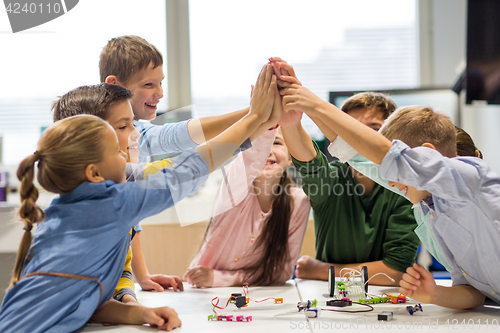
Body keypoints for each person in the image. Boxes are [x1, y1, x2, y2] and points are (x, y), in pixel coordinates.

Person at [0, 64, 280, 332]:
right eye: (119, 135)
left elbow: (87, 304)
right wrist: (255, 118)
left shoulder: (71, 210)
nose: (134, 138)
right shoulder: (108, 205)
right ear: (94, 171)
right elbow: (183, 172)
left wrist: (140, 313)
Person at [279, 73, 500, 309]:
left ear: (427, 154)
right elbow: (474, 291)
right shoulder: (426, 210)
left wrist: (312, 103)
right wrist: (434, 294)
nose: (390, 181)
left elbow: (383, 156)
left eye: (372, 132)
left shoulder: (468, 175)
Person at [270, 58, 419, 286]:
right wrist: (289, 121)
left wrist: (323, 271)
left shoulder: (404, 188)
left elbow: (395, 272)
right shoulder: (332, 180)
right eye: (347, 127)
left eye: (372, 129)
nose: (357, 138)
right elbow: (307, 160)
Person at [52, 83, 183, 303]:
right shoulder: (81, 215)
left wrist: (131, 292)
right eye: (123, 127)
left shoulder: (119, 183)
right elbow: (86, 298)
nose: (136, 134)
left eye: (134, 124)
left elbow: (121, 269)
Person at [183, 128, 311, 287]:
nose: (268, 150)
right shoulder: (236, 186)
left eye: (276, 143)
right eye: (259, 144)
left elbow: (282, 272)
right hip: (205, 290)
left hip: (259, 294)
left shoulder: (299, 202)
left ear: (290, 157)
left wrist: (221, 278)